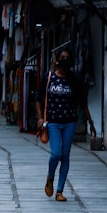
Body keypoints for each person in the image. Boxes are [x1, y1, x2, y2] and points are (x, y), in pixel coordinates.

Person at [35, 48, 95, 203]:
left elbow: (83, 102)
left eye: (67, 57)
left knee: (66, 155)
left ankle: (60, 191)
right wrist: (40, 118)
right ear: (57, 60)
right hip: (53, 122)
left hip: (70, 122)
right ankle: (50, 178)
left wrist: (91, 123)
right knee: (56, 154)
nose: (65, 60)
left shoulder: (75, 79)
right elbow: (38, 98)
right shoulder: (48, 77)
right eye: (62, 57)